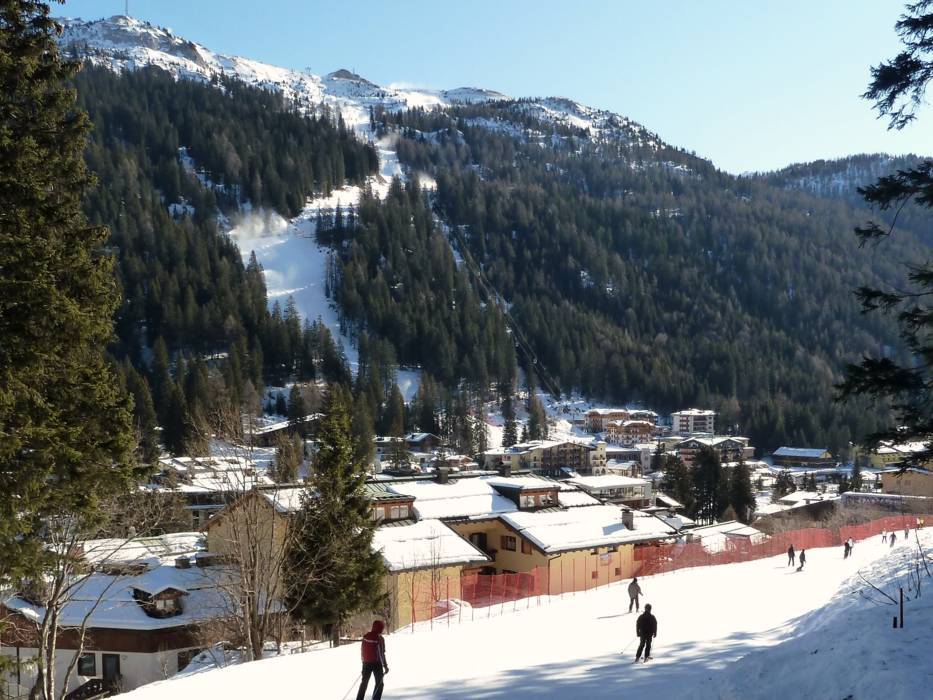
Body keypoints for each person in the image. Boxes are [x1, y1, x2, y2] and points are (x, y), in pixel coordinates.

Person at [357, 620, 389, 700]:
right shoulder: (380, 639)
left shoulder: (366, 636)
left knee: (364, 683)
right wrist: (385, 666)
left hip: (366, 663)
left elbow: (362, 650)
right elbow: (382, 654)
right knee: (379, 684)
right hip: (377, 664)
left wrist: (364, 662)